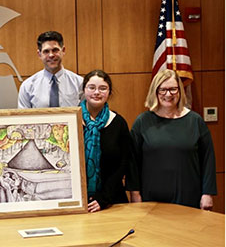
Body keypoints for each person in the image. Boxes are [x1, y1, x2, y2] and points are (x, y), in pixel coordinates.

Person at [131, 69, 217, 210]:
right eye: (163, 90)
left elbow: (208, 159)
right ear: (155, 91)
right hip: (151, 201)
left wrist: (207, 194)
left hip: (189, 198)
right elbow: (132, 162)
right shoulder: (142, 122)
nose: (168, 94)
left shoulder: (195, 121)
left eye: (173, 89)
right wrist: (135, 193)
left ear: (180, 91)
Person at [79, 70, 140, 213]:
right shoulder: (71, 121)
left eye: (103, 88)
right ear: (84, 90)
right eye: (91, 87)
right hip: (79, 201)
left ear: (109, 92)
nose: (97, 92)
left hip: (112, 201)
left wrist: (103, 198)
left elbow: (123, 165)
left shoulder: (118, 123)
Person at [18, 31, 83, 108]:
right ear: (39, 54)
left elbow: (86, 115)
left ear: (63, 50)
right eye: (46, 51)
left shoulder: (79, 83)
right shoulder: (27, 86)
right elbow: (23, 118)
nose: (51, 55)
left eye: (55, 50)